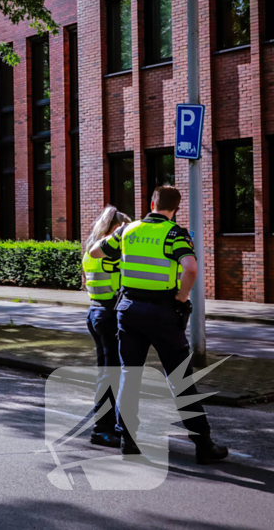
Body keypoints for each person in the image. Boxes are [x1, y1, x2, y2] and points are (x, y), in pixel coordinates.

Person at [90, 185, 228, 464]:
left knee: (129, 375)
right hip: (163, 313)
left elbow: (94, 252)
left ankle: (128, 440)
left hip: (128, 310)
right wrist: (182, 296)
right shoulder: (175, 234)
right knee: (180, 379)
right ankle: (203, 444)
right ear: (175, 208)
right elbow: (190, 268)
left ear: (151, 204)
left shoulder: (127, 231)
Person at [82, 206, 131, 448]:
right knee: (111, 375)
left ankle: (107, 426)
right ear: (115, 230)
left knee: (107, 373)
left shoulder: (91, 249)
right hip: (109, 315)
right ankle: (102, 429)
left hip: (96, 312)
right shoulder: (110, 253)